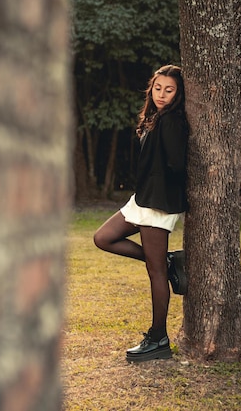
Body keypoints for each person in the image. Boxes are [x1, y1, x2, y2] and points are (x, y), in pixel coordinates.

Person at [93, 64, 188, 363]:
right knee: (103, 237)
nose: (162, 94)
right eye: (158, 88)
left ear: (178, 93)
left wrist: (163, 188)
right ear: (152, 89)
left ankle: (158, 338)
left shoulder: (172, 121)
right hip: (143, 199)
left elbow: (177, 164)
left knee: (155, 273)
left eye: (169, 90)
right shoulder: (156, 117)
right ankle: (169, 259)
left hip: (158, 203)